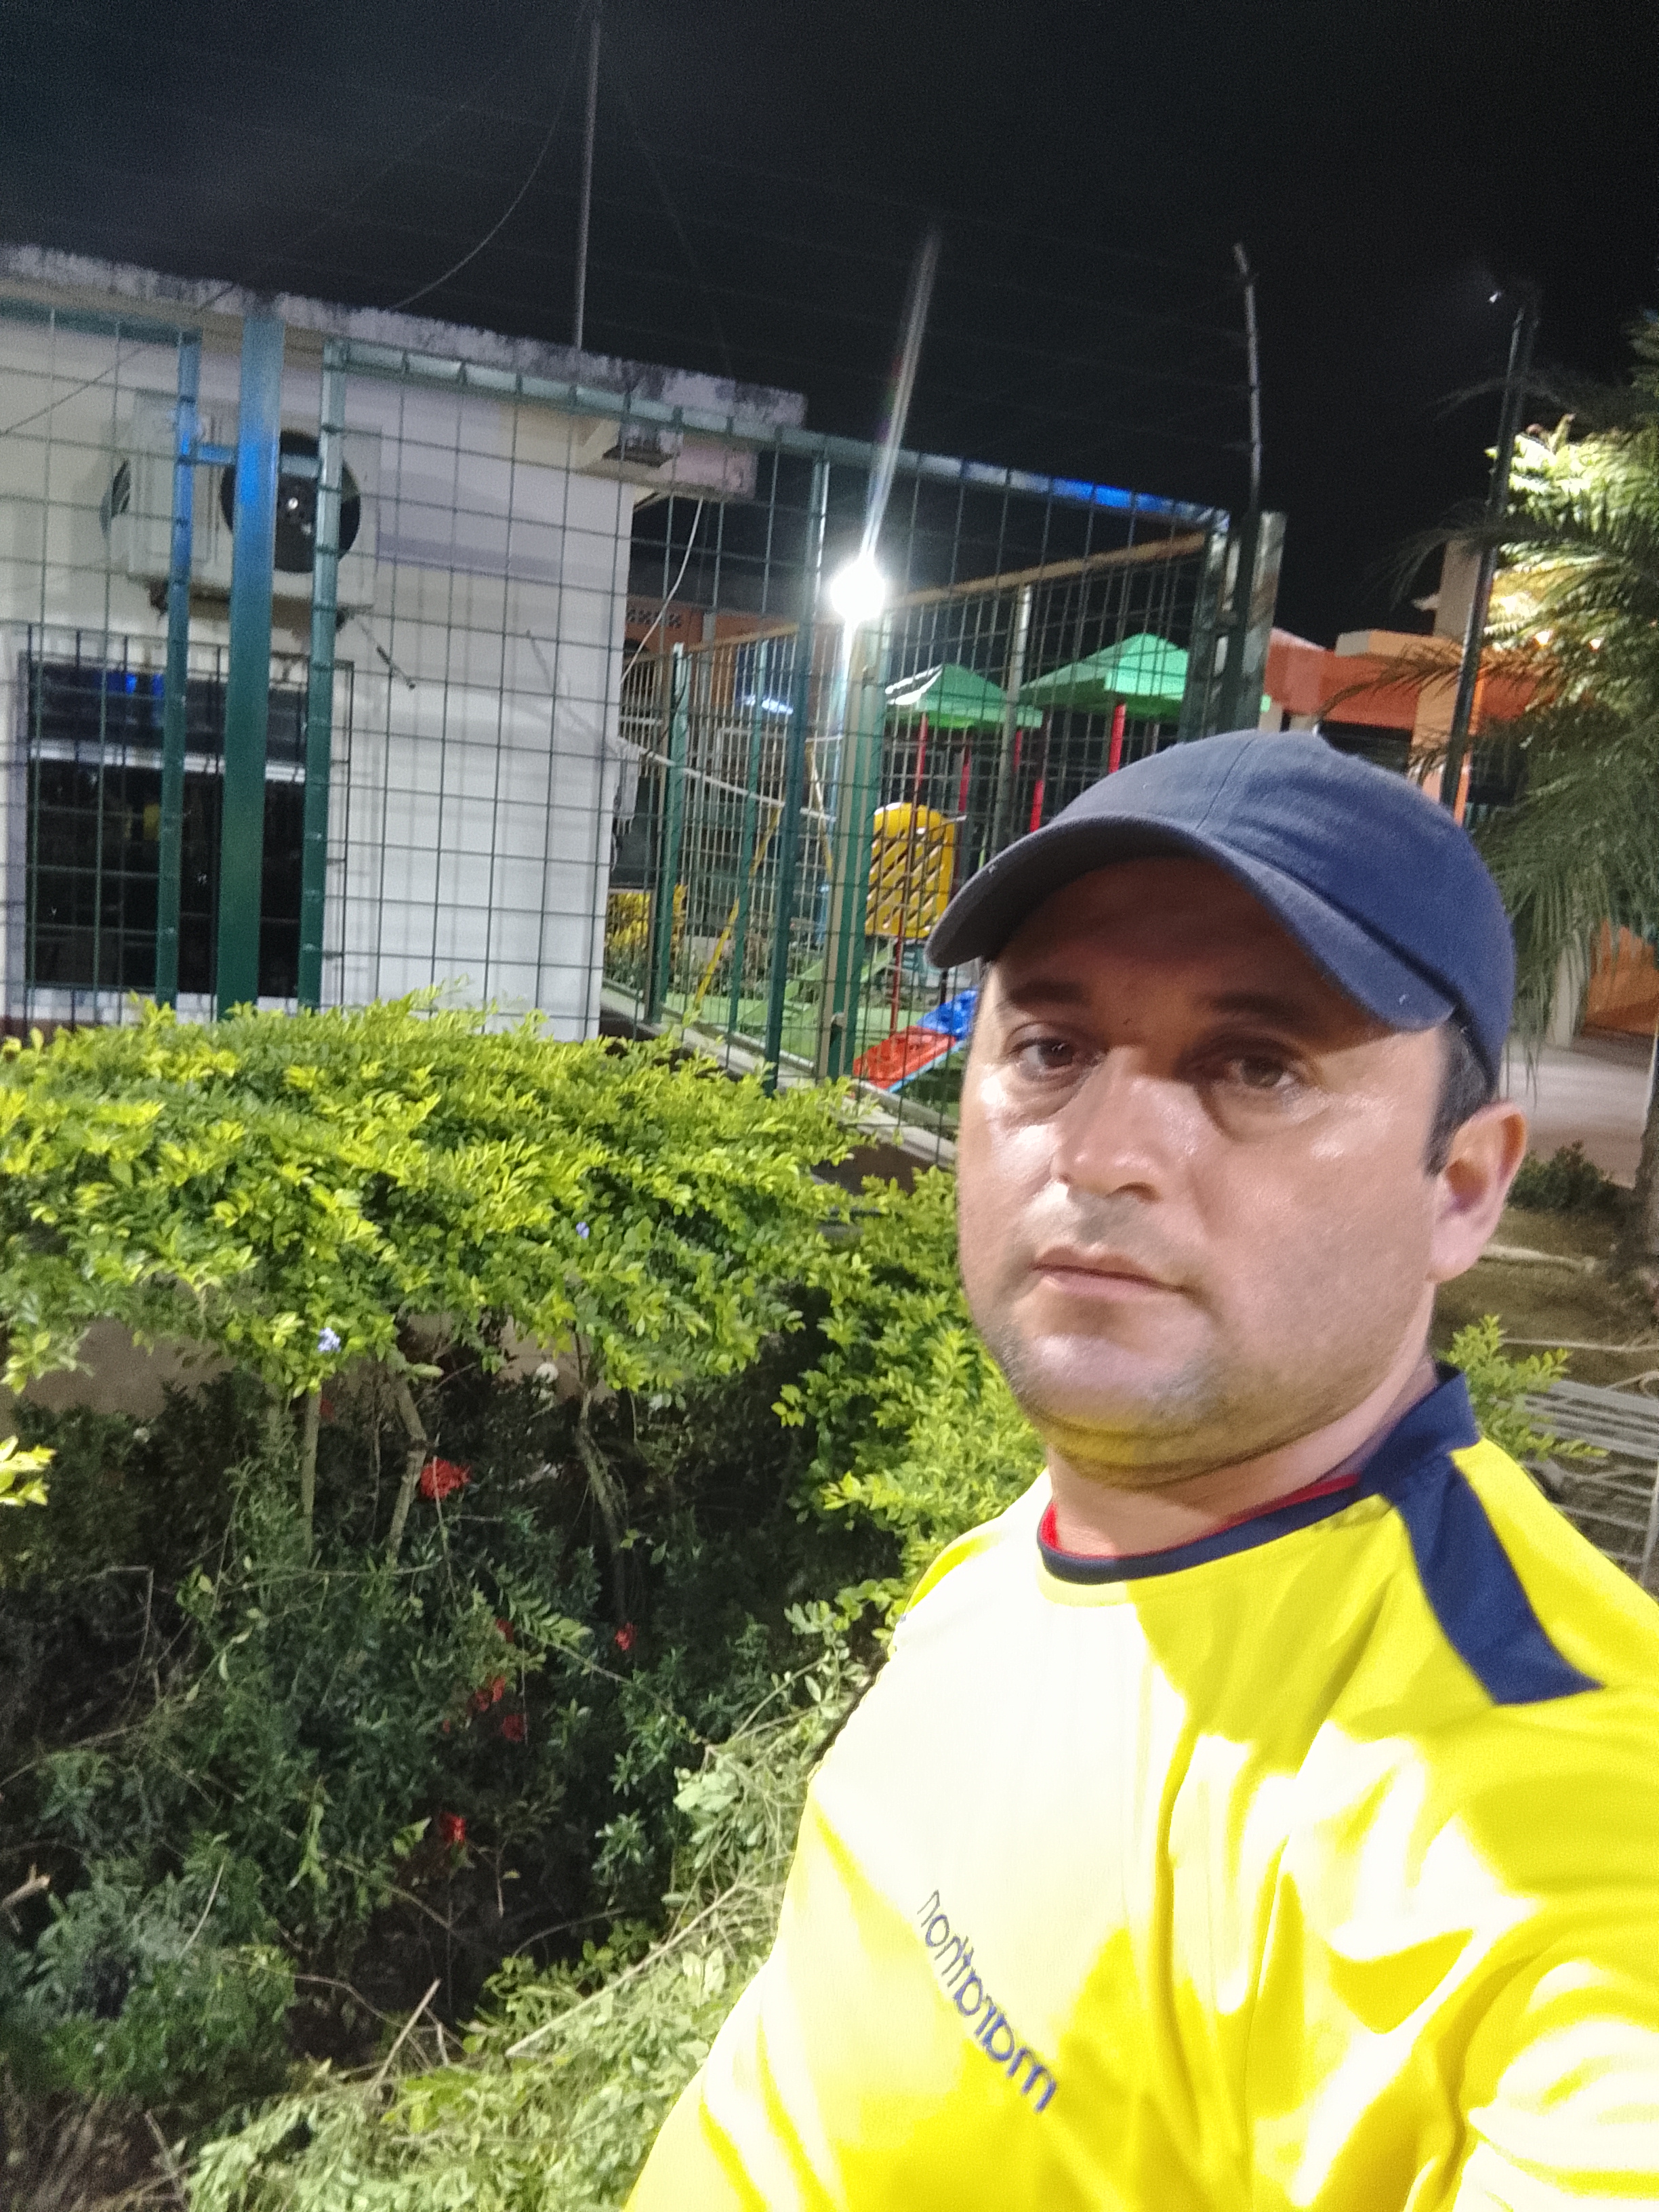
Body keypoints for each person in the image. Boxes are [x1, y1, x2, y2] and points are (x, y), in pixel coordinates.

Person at [629, 731, 1659, 2209]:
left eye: (1259, 1066)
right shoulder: (1041, 1542)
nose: (1104, 1152)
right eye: (1052, 1050)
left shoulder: (1541, 1802)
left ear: (1461, 1187)